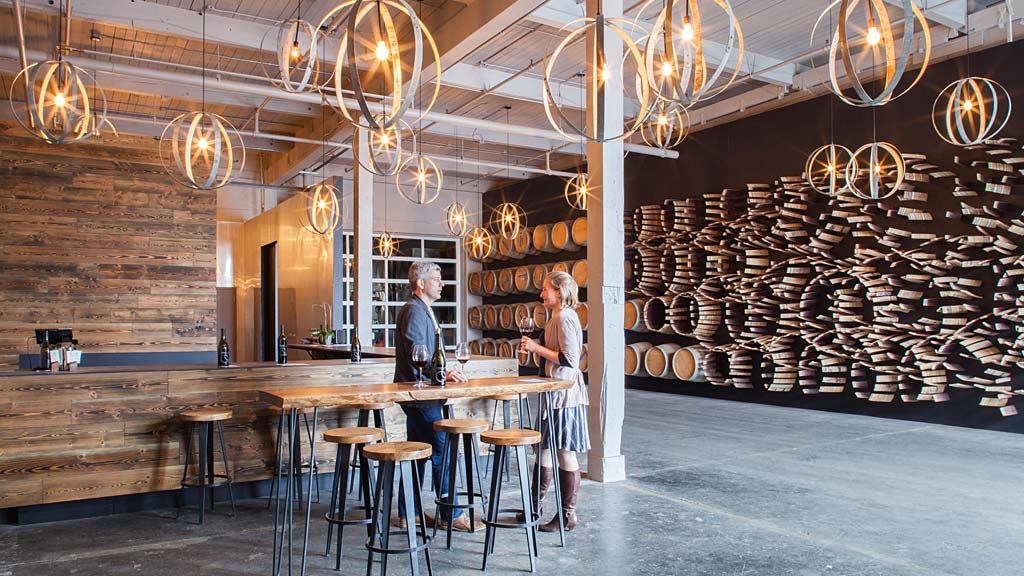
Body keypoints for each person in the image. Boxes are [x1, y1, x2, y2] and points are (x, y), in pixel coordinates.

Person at [393, 261, 482, 532]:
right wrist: (441, 372)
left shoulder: (422, 310)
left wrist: (444, 371)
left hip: (422, 395)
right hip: (421, 396)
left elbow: (426, 354)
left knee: (418, 452)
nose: (442, 283)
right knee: (443, 449)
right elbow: (417, 351)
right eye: (436, 278)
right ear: (421, 283)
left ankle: (409, 513)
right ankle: (451, 514)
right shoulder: (415, 311)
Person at [519, 270, 588, 531]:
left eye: (545, 288)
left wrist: (536, 348)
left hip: (565, 397)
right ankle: (534, 510)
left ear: (559, 292)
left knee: (564, 453)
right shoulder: (556, 317)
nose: (541, 293)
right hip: (553, 396)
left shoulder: (566, 317)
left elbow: (570, 359)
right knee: (544, 450)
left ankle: (567, 516)